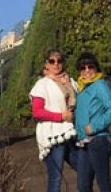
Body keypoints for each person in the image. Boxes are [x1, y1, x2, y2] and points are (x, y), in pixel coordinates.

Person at [30, 48, 78, 192]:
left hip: (71, 131)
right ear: (46, 64)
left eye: (59, 61)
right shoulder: (42, 84)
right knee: (55, 177)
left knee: (84, 168)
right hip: (53, 134)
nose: (56, 64)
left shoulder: (70, 82)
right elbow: (37, 112)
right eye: (52, 61)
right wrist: (61, 116)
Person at [72, 52, 111, 192]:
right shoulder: (81, 88)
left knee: (103, 184)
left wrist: (94, 126)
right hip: (83, 142)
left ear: (96, 68)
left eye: (90, 66)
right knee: (83, 186)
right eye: (83, 67)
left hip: (98, 140)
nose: (86, 70)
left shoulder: (99, 84)